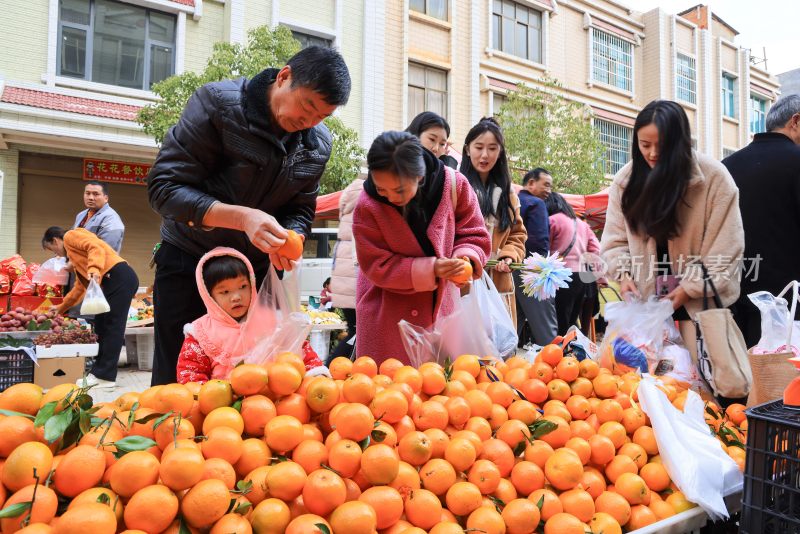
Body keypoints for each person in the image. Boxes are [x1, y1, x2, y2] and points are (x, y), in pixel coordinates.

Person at [147, 46, 351, 385]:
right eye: (307, 106)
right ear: (284, 77)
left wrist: (293, 237)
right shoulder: (219, 105)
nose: (309, 122)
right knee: (177, 381)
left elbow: (301, 209)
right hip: (189, 262)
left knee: (257, 379)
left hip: (254, 277)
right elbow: (164, 189)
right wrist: (243, 218)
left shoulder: (317, 144)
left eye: (322, 117)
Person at [601, 100, 744, 360]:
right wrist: (624, 277)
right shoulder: (626, 182)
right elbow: (615, 242)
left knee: (710, 389)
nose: (653, 153)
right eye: (645, 145)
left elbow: (727, 248)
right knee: (647, 386)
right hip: (647, 304)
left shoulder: (714, 179)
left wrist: (688, 288)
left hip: (700, 303)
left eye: (662, 145)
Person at [353, 131, 491, 365]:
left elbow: (473, 232)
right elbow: (375, 264)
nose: (389, 197)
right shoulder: (368, 205)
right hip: (386, 318)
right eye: (381, 189)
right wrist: (431, 269)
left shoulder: (454, 186)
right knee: (386, 392)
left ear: (419, 175)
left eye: (399, 190)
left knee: (438, 391)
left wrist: (464, 259)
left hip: (442, 318)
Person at [176, 248, 326, 384]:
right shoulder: (201, 333)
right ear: (209, 296)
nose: (236, 297)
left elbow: (300, 351)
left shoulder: (274, 320)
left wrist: (317, 375)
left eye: (242, 287)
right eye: (225, 292)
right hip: (224, 410)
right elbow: (190, 374)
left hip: (277, 404)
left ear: (252, 284)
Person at [723, 94, 800, 347]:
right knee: (787, 383)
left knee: (747, 381)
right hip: (789, 308)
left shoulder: (726, 167)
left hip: (734, 302)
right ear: (796, 121)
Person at [42, 227, 139, 388]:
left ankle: (106, 377)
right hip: (109, 280)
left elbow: (95, 246)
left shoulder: (71, 236)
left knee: (112, 326)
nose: (57, 256)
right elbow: (80, 287)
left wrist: (94, 269)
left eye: (54, 251)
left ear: (55, 240)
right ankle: (97, 372)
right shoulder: (76, 258)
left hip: (118, 277)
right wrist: (61, 307)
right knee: (100, 326)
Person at [460, 117, 526, 325]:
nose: (485, 155)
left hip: (498, 282)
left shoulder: (508, 193)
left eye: (492, 148)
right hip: (464, 279)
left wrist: (509, 256)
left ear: (500, 153)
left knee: (497, 349)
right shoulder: (456, 186)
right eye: (479, 147)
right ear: (467, 149)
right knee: (465, 351)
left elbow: (518, 235)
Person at [546, 192, 604, 335]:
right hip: (581, 278)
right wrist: (601, 278)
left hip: (559, 275)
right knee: (571, 320)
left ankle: (561, 354)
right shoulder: (582, 224)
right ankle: (572, 352)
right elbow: (596, 250)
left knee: (559, 320)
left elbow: (543, 248)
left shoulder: (551, 220)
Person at [516, 168, 558, 346]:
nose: (549, 190)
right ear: (531, 183)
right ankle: (557, 367)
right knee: (546, 327)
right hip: (532, 269)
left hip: (510, 265)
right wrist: (542, 269)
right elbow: (540, 241)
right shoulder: (536, 203)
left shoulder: (513, 200)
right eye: (546, 185)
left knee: (512, 319)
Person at [328, 177, 364, 361]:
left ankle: (332, 369)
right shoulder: (366, 193)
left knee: (355, 331)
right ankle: (330, 370)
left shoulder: (351, 191)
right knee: (359, 334)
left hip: (344, 276)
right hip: (355, 276)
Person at [73, 181, 125, 253]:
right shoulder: (81, 215)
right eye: (87, 193)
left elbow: (106, 249)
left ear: (106, 198)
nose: (90, 197)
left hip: (99, 262)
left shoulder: (111, 219)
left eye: (96, 194)